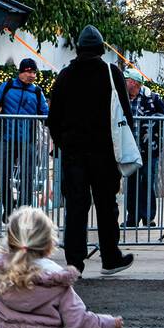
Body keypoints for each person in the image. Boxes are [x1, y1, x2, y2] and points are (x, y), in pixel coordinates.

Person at [45, 25, 134, 275]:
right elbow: (125, 114)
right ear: (100, 48)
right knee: (107, 206)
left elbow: (53, 118)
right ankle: (110, 256)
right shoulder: (111, 73)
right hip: (105, 153)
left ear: (79, 48)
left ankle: (75, 262)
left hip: (74, 154)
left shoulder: (66, 75)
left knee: (76, 207)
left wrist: (64, 143)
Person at [0, 57, 48, 221]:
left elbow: (46, 114)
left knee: (27, 178)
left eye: (34, 72)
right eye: (29, 72)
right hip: (5, 138)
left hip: (28, 141)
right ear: (21, 72)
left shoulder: (37, 92)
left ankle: (23, 213)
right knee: (3, 175)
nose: (32, 75)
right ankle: (9, 207)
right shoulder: (8, 86)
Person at [123, 67, 164, 227]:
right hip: (129, 149)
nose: (124, 83)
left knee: (148, 182)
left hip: (149, 148)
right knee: (131, 183)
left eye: (126, 80)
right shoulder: (123, 98)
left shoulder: (153, 98)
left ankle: (148, 217)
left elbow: (163, 116)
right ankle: (132, 217)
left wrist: (149, 120)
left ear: (134, 82)